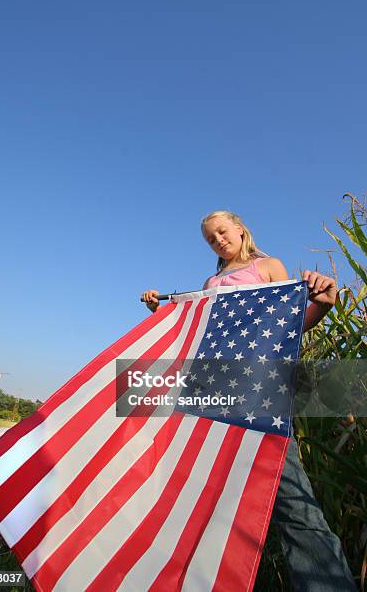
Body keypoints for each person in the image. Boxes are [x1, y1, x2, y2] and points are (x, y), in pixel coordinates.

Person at [141, 210, 357, 592]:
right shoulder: (211, 281)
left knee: (291, 500)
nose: (219, 240)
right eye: (211, 238)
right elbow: (199, 330)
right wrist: (165, 309)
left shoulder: (268, 267)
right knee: (209, 497)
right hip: (210, 392)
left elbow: (288, 326)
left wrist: (321, 305)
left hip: (258, 392)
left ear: (240, 230)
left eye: (223, 232)